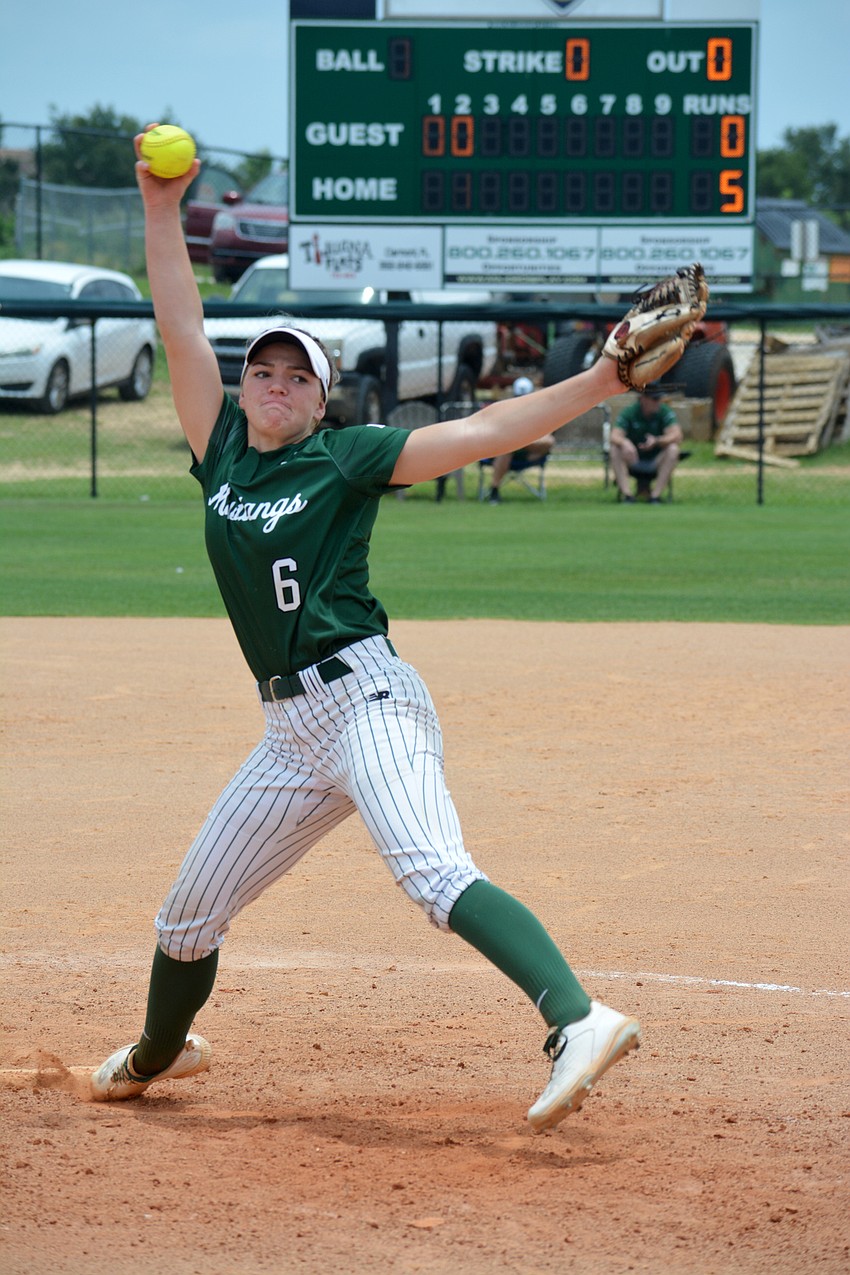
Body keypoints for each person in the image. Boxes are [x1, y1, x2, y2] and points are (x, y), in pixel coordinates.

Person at [90, 128, 642, 1132]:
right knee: (187, 916)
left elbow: (479, 433)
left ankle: (578, 1017)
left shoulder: (344, 459)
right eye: (262, 369)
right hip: (287, 733)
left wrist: (600, 383)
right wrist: (162, 210)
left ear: (321, 400)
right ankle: (156, 1053)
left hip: (367, 700)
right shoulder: (223, 453)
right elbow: (180, 328)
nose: (275, 383)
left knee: (431, 869)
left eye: (297, 376)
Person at [484, 376, 555, 504]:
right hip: (506, 451)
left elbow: (547, 438)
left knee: (548, 441)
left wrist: (522, 441)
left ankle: (519, 442)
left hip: (529, 451)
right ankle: (494, 490)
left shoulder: (540, 412)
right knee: (507, 449)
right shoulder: (505, 411)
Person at [609, 384, 683, 503]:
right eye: (654, 399)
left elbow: (677, 435)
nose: (658, 402)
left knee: (673, 449)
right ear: (643, 398)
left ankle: (655, 496)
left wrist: (657, 441)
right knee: (615, 449)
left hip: (656, 460)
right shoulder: (630, 412)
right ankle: (627, 496)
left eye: (659, 399)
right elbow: (614, 436)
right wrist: (625, 442)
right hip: (633, 459)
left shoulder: (664, 411)